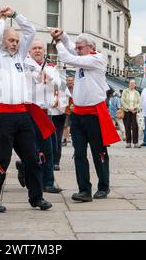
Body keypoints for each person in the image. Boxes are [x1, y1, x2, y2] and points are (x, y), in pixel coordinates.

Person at [0, 6, 52, 213]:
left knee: (32, 157)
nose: (15, 44)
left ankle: (36, 197)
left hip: (21, 113)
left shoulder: (19, 56)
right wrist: (1, 19)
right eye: (11, 40)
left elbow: (30, 31)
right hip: (1, 115)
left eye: (17, 41)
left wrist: (16, 15)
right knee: (2, 159)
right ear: (3, 40)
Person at [52, 28, 120, 202]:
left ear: (90, 47)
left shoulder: (97, 59)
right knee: (79, 153)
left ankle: (103, 186)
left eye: (80, 47)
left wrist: (57, 42)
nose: (77, 49)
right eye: (78, 47)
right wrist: (64, 36)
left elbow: (67, 57)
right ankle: (84, 190)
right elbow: (71, 50)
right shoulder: (84, 56)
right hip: (78, 113)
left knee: (99, 152)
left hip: (94, 113)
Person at [16, 39, 61, 194]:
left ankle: (27, 169)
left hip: (44, 112)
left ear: (44, 51)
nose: (37, 50)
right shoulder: (23, 65)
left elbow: (59, 83)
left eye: (40, 48)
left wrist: (50, 79)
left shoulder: (51, 68)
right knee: (37, 148)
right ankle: (46, 182)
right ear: (29, 51)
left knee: (50, 148)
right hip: (29, 110)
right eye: (34, 48)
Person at [50, 76, 71, 171]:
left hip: (50, 113)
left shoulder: (45, 79)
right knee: (58, 137)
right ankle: (56, 162)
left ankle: (51, 161)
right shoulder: (61, 83)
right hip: (60, 112)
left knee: (49, 137)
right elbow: (69, 96)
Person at [121, 80, 141, 148]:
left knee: (135, 127)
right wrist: (128, 108)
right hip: (126, 111)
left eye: (133, 83)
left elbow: (139, 102)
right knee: (127, 126)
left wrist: (135, 108)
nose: (132, 84)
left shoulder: (137, 93)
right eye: (131, 83)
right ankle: (128, 142)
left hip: (134, 111)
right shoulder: (125, 91)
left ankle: (135, 143)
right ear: (129, 84)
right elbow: (122, 101)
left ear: (135, 85)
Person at [62, 76, 74, 146]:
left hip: (75, 109)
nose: (70, 82)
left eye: (71, 80)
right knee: (65, 125)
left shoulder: (76, 89)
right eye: (69, 80)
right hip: (67, 109)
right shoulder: (64, 89)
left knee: (74, 125)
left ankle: (74, 140)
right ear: (66, 81)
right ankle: (65, 140)